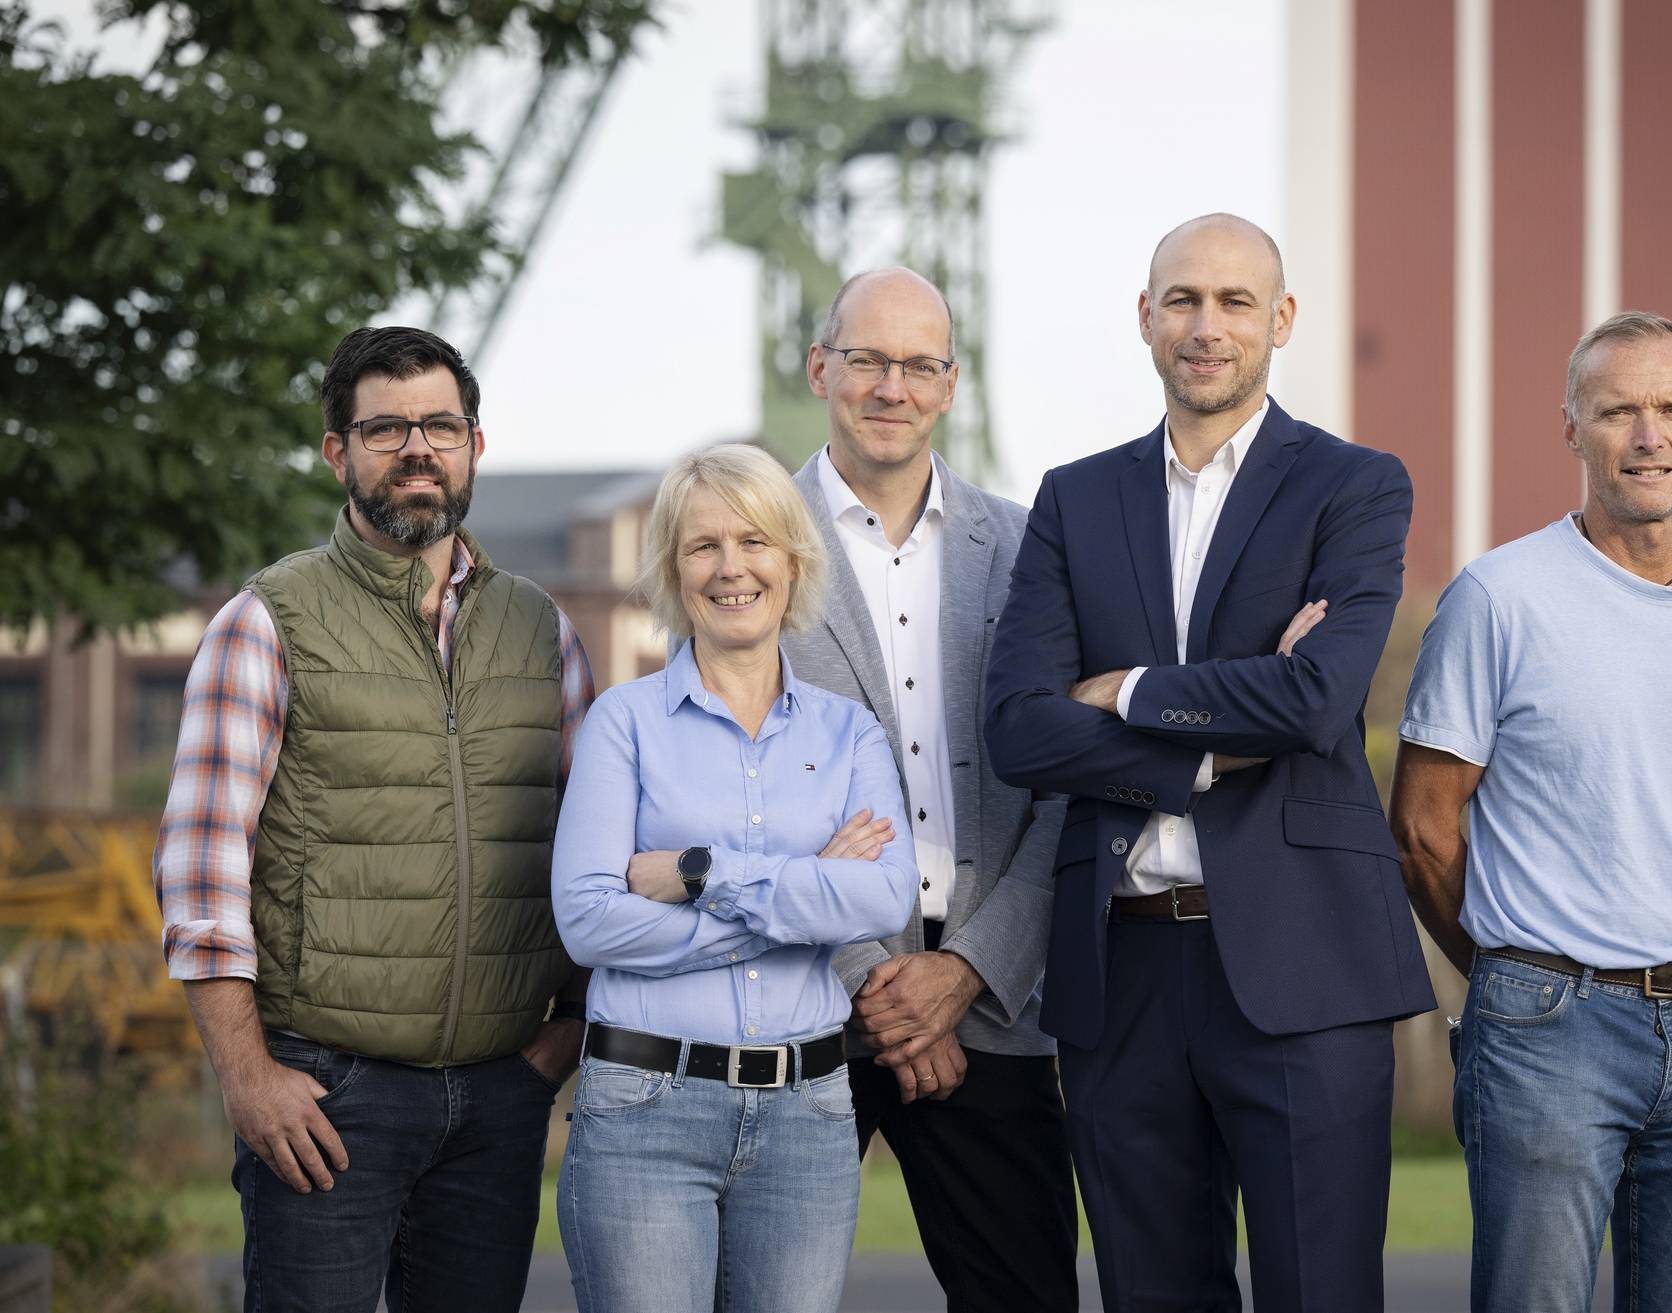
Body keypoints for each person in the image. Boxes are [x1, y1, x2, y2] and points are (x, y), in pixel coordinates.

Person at [982, 214, 1437, 1311]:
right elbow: (1020, 728)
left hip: (1305, 963)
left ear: (1280, 321)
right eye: (1182, 299)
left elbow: (1317, 697)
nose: (1207, 325)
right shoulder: (1075, 498)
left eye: (1236, 302)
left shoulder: (1356, 485)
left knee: (1317, 1291)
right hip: (1120, 967)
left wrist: (1128, 688)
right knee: (1153, 1294)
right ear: (1145, 319)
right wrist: (1208, 753)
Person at [152, 325, 595, 1312]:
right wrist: (248, 1074)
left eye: (440, 423)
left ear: (476, 442)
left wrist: (561, 1037)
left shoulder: (542, 631)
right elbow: (201, 864)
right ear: (337, 451)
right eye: (386, 426)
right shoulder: (267, 620)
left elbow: (589, 846)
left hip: (497, 1097)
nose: (417, 447)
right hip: (321, 1096)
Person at [1392, 311, 1672, 1313]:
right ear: (1572, 429)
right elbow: (1421, 826)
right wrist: (1517, 973)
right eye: (1616, 410)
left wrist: (1669, 923)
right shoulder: (1500, 596)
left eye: (1671, 408)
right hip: (1546, 1028)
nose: (1646, 435)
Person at [551, 442, 918, 1313]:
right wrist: (802, 894)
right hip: (646, 1109)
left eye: (754, 542)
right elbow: (590, 923)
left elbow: (883, 897)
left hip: (809, 1115)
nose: (730, 568)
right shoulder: (623, 724)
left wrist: (698, 872)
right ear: (674, 573)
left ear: (793, 563)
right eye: (702, 545)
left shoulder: (851, 733)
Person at [776, 266, 1078, 1309]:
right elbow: (733, 791)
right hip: (806, 993)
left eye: (917, 365)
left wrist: (965, 974)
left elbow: (1065, 787)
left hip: (993, 997)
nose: (890, 387)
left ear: (951, 383)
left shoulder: (1033, 546)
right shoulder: (749, 546)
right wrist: (877, 975)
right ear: (822, 368)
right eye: (866, 360)